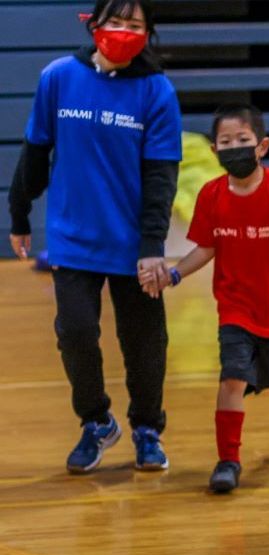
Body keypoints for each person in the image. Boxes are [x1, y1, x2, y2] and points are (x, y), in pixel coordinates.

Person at [7, 0, 180, 474]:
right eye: (116, 21)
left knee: (145, 341)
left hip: (133, 246)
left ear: (148, 33)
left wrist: (152, 248)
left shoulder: (156, 91)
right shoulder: (59, 77)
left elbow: (161, 178)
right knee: (77, 333)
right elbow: (36, 151)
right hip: (73, 239)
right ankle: (96, 421)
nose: (124, 31)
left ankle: (147, 429)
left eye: (135, 24)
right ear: (95, 25)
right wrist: (19, 214)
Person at [145, 105, 269, 492]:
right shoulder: (212, 196)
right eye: (226, 142)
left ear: (261, 146)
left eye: (242, 141)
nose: (235, 148)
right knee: (231, 379)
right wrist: (176, 273)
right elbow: (205, 247)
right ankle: (228, 460)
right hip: (235, 308)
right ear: (214, 150)